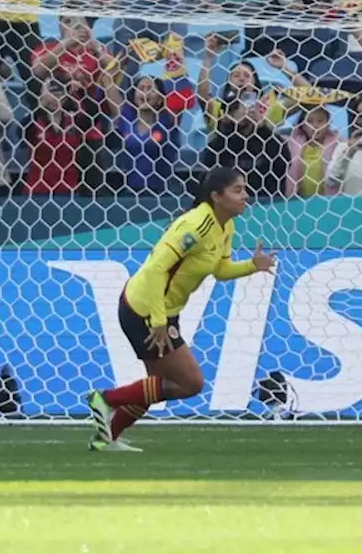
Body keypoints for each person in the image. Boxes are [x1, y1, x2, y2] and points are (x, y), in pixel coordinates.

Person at [85, 166, 276, 451]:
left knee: (161, 383)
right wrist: (158, 321)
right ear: (216, 196)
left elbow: (220, 269)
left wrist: (252, 266)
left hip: (160, 310)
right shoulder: (194, 226)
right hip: (144, 309)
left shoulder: (225, 225)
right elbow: (155, 269)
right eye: (237, 190)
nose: (245, 196)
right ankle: (106, 399)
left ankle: (106, 436)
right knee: (190, 383)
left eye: (245, 189)